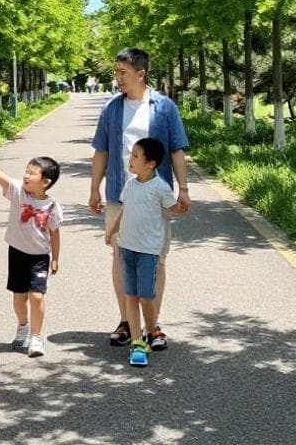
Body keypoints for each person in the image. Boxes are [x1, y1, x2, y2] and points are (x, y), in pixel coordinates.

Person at [89, 47, 190, 351]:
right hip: (121, 195)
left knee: (155, 260)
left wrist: (182, 188)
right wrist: (94, 188)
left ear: (141, 74)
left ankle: (153, 325)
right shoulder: (111, 108)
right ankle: (126, 322)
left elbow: (176, 150)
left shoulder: (165, 108)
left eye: (123, 72)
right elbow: (101, 151)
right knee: (121, 259)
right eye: (116, 72)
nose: (118, 78)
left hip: (155, 197)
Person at [0, 150, 63, 357]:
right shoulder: (18, 192)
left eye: (32, 173)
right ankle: (23, 326)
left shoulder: (53, 206)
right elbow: (0, 178)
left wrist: (55, 258)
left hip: (39, 257)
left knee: (37, 296)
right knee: (19, 297)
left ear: (45, 182)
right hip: (17, 253)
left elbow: (55, 233)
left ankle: (36, 338)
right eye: (26, 171)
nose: (26, 176)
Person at [105, 137, 178, 366]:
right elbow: (124, 210)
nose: (131, 159)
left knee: (146, 297)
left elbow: (173, 208)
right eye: (132, 155)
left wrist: (184, 205)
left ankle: (152, 330)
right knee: (131, 296)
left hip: (148, 251)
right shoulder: (130, 185)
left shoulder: (160, 188)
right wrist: (112, 231)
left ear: (151, 164)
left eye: (136, 156)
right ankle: (137, 343)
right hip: (127, 248)